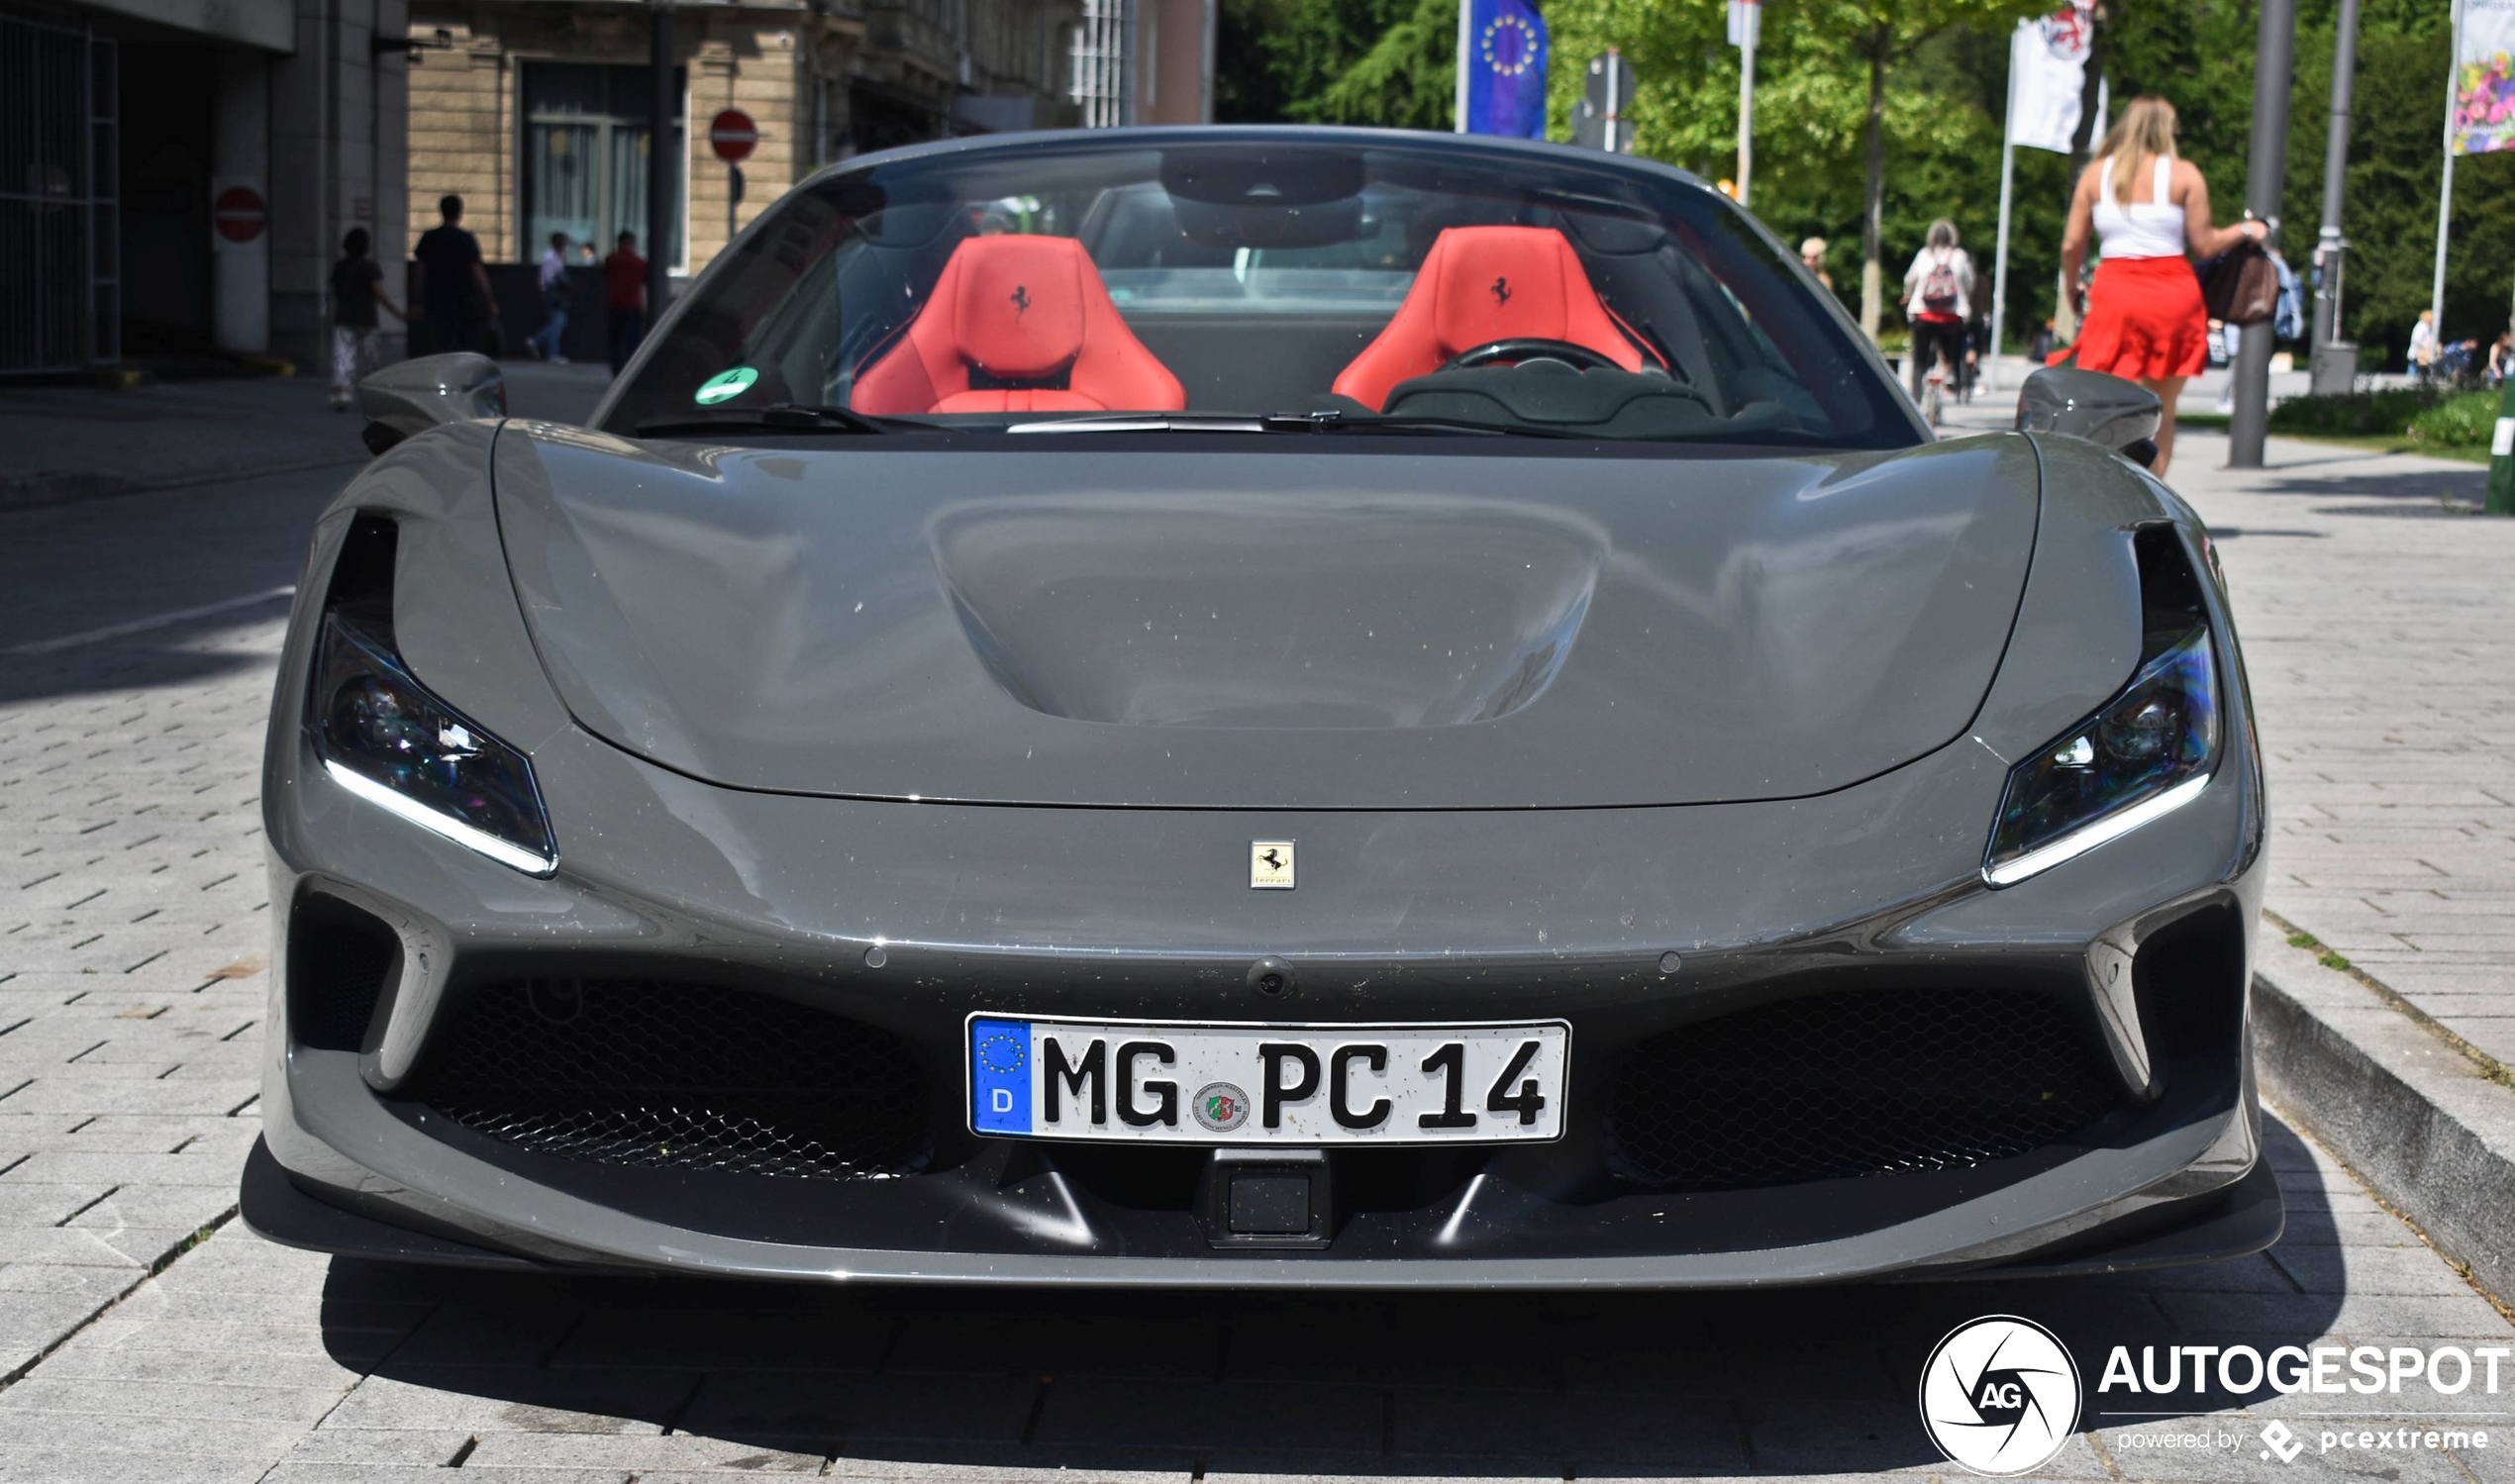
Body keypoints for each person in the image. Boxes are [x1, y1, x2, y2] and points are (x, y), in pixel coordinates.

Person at [2058, 95, 2267, 477]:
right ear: (2168, 130)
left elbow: (2072, 244)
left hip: (2115, 293)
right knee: (2162, 410)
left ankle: (2109, 489)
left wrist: (2071, 288)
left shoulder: (2096, 175)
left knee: (2108, 405)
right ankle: (2152, 497)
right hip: (2172, 294)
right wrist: (2247, 229)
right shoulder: (2185, 174)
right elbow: (2204, 245)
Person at [328, 228, 406, 411]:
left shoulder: (339, 266)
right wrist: (399, 314)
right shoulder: (370, 267)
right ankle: (374, 397)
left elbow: (334, 292)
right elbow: (379, 294)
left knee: (343, 359)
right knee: (370, 359)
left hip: (344, 318)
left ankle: (342, 396)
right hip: (367, 319)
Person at [1900, 219, 1976, 406]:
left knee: (1919, 359)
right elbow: (1969, 282)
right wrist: (1963, 297)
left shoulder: (1924, 255)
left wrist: (1908, 295)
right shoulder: (1959, 256)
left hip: (1924, 315)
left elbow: (1910, 279)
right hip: (1952, 317)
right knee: (1954, 354)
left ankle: (1917, 396)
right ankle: (1954, 380)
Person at [413, 195, 499, 355]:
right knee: (465, 344)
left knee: (440, 343)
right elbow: (477, 272)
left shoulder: (429, 238)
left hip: (436, 297)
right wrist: (489, 300)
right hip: (463, 299)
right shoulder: (466, 239)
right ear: (460, 213)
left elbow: (420, 272)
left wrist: (417, 301)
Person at [604, 231, 650, 374]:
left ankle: (616, 372)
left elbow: (605, 275)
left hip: (616, 305)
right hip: (633, 305)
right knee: (633, 342)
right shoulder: (639, 262)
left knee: (616, 342)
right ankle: (630, 373)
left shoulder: (612, 259)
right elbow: (645, 280)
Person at [527, 232, 571, 363]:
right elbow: (548, 278)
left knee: (559, 322)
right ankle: (546, 348)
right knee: (557, 322)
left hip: (554, 293)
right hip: (552, 294)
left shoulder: (557, 257)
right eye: (562, 242)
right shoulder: (550, 258)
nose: (564, 245)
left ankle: (541, 345)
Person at [2408, 310, 2439, 379]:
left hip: (2421, 353)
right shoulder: (2422, 326)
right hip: (2419, 353)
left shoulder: (2426, 327)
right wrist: (2427, 346)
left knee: (2416, 370)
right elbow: (2417, 340)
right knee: (2413, 371)